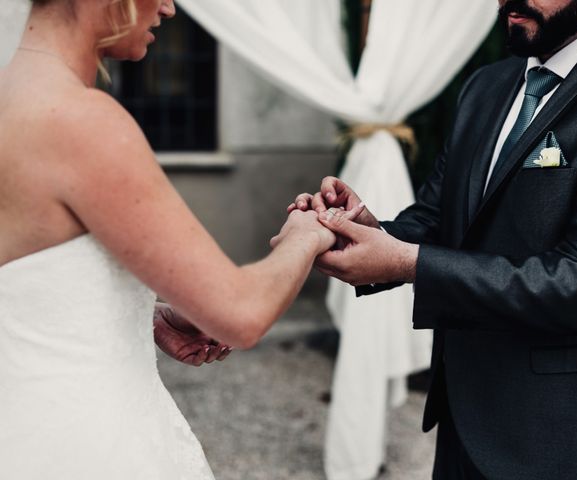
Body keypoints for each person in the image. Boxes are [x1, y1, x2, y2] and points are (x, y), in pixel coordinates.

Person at [290, 0, 577, 478]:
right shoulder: (486, 86)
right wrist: (358, 230)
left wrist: (407, 262)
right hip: (462, 423)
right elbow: (439, 219)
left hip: (569, 436)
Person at [0, 0, 346, 478]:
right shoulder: (82, 123)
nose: (168, 7)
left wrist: (135, 317)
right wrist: (308, 233)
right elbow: (241, 314)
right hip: (90, 449)